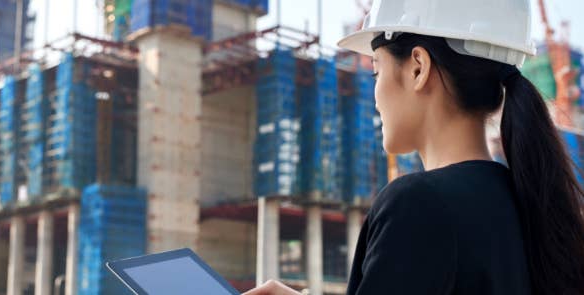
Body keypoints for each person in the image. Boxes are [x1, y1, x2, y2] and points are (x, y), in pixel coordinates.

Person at [243, 0, 584, 294]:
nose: (375, 96)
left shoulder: (417, 205)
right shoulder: (530, 203)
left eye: (376, 70)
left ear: (418, 68)